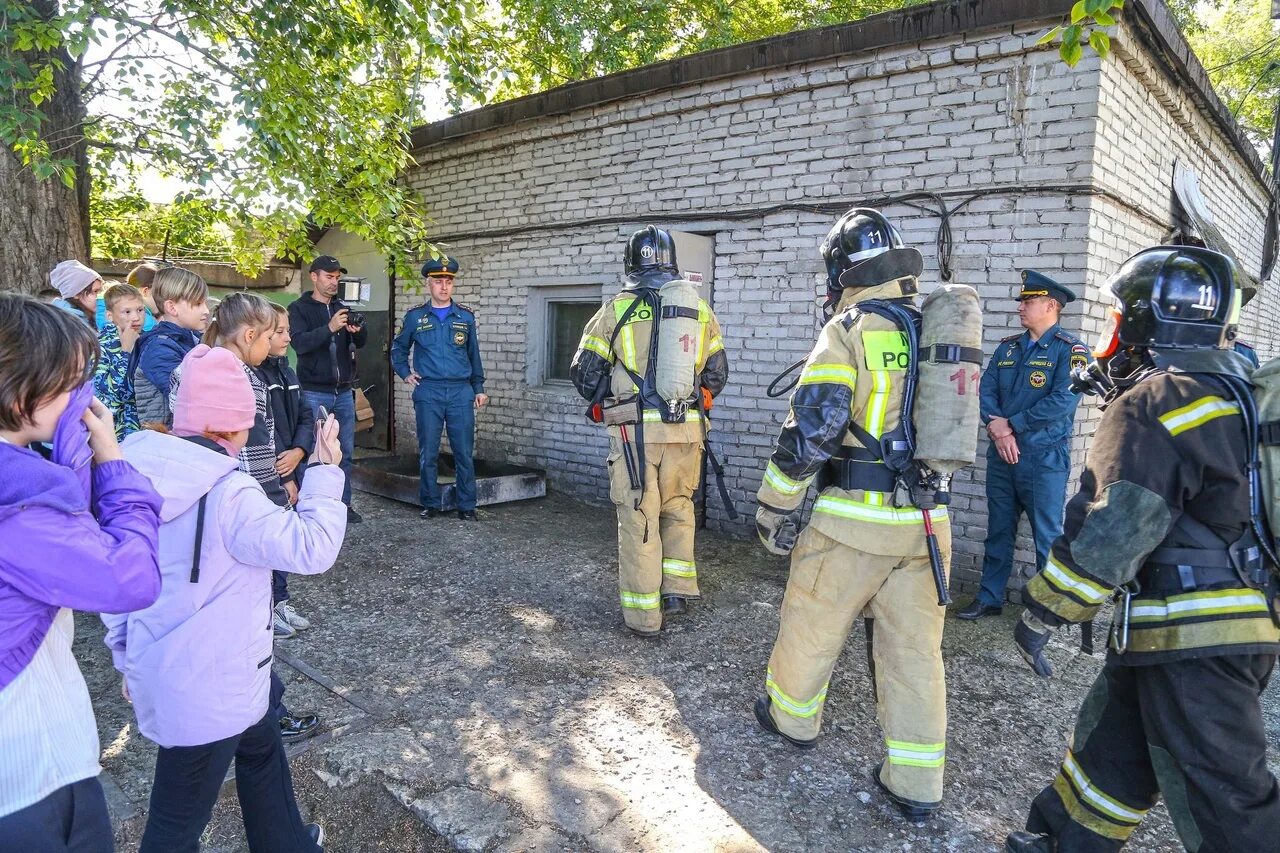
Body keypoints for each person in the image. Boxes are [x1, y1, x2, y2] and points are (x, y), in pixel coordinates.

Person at [1006, 245, 1280, 852]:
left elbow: (1112, 525)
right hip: (1207, 629)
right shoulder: (1237, 393)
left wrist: (1045, 610)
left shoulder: (1157, 401)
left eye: (1114, 316)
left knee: (1228, 798)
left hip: (1192, 638)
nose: (1109, 331)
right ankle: (1064, 842)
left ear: (1141, 320)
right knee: (1110, 753)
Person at [104, 344, 346, 852]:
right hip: (210, 684)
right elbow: (311, 547)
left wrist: (126, 656)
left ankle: (287, 843)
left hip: (193, 664)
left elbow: (119, 583)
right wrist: (325, 469)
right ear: (237, 426)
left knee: (261, 745)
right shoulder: (229, 492)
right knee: (175, 823)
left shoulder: (133, 471)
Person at [752, 208, 950, 821]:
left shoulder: (851, 329)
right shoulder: (931, 330)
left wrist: (773, 506)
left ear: (843, 273)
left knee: (812, 620)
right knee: (915, 653)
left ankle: (790, 719)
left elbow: (812, 430)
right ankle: (916, 784)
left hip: (853, 522)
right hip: (927, 524)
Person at [0, 294, 162, 850]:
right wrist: (111, 461)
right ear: (22, 389)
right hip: (30, 772)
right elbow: (128, 578)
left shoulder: (24, 472)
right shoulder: (18, 504)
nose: (80, 397)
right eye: (68, 382)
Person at [568, 228, 728, 632]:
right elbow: (717, 374)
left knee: (639, 517)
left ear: (631, 264)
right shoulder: (699, 310)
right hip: (687, 432)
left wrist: (614, 392)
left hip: (634, 435)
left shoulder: (615, 309)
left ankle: (643, 616)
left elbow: (584, 374)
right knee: (678, 507)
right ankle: (676, 591)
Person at [957, 272, 1087, 619]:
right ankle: (989, 598)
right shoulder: (1008, 347)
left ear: (1050, 306)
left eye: (1027, 302)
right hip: (1002, 455)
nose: (1020, 307)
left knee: (1047, 535)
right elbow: (986, 391)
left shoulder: (1071, 351)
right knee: (998, 530)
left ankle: (1048, 608)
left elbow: (1063, 400)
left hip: (1043, 458)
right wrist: (999, 432)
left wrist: (1011, 425)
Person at [391, 255, 488, 521]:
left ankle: (467, 506)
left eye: (448, 281)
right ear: (428, 284)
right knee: (428, 451)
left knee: (463, 452)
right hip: (429, 392)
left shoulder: (465, 317)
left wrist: (478, 387)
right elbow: (398, 349)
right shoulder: (415, 317)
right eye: (438, 281)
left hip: (460, 391)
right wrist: (405, 373)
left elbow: (473, 354)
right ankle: (430, 503)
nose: (444, 286)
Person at [289, 255, 367, 523]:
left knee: (343, 453)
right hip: (313, 391)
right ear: (314, 276)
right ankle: (305, 506)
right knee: (310, 451)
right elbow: (300, 344)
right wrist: (330, 327)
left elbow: (362, 342)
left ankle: (343, 506)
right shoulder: (299, 309)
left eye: (337, 278)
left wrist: (357, 330)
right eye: (329, 277)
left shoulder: (341, 306)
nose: (334, 282)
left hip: (343, 392)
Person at [256, 304, 316, 639]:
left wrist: (300, 450)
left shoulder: (287, 370)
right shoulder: (256, 376)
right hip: (277, 471)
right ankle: (265, 607)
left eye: (287, 330)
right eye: (279, 332)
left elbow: (305, 414)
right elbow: (266, 429)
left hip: (293, 460)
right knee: (272, 537)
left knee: (284, 536)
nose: (287, 337)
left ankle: (280, 599)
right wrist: (286, 472)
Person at [131, 267, 209, 426]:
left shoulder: (191, 339)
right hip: (167, 442)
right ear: (172, 307)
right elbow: (185, 398)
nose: (206, 310)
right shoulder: (158, 348)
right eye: (198, 303)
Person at [95, 282, 147, 440]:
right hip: (115, 437)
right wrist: (125, 351)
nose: (136, 317)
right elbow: (109, 402)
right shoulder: (98, 348)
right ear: (110, 316)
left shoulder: (147, 340)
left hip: (144, 432)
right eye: (127, 312)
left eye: (140, 310)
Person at [96, 261, 160, 332]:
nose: (163, 300)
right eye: (160, 294)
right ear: (145, 291)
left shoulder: (99, 305)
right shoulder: (149, 323)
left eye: (140, 310)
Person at [49, 260, 103, 326]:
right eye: (95, 291)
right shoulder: (68, 323)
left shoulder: (92, 318)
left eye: (101, 291)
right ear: (76, 294)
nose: (101, 296)